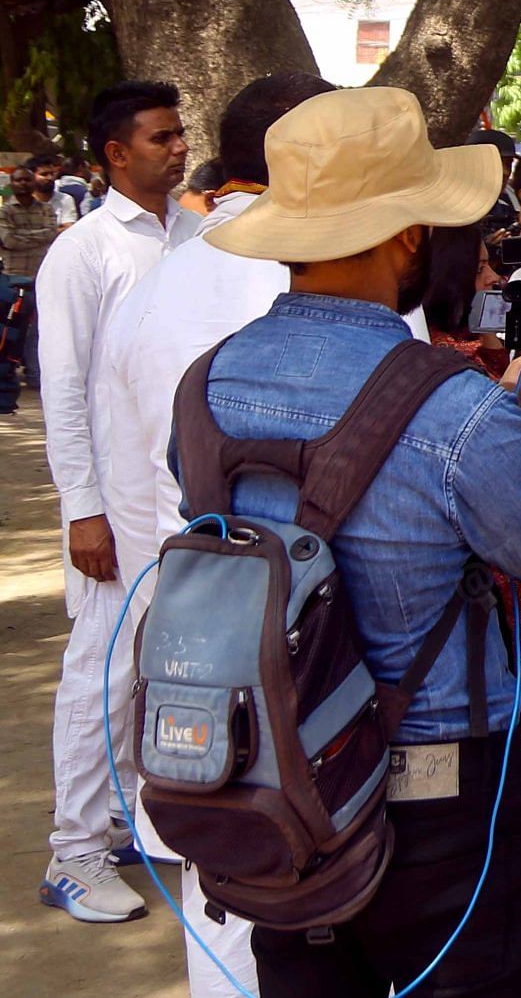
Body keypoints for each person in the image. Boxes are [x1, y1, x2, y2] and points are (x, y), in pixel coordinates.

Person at [185, 86, 521, 994]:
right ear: (404, 235)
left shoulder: (207, 384)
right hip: (438, 792)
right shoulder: (452, 408)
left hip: (275, 775)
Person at [88, 72, 330, 988]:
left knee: (217, 885)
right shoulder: (324, 284)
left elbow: (129, 479)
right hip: (304, 650)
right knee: (312, 891)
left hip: (182, 649)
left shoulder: (157, 287)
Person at [37, 79, 196, 925]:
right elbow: (62, 391)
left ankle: (128, 823)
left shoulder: (197, 235)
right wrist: (82, 508)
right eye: (161, 137)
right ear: (114, 152)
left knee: (156, 667)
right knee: (102, 670)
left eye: (180, 135)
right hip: (115, 503)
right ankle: (74, 851)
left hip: (176, 497)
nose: (178, 147)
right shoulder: (86, 250)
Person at [2, 163, 64, 414]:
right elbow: (8, 240)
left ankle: (38, 376)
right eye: (18, 181)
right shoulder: (5, 211)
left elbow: (52, 234)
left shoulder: (46, 209)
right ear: (12, 184)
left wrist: (25, 237)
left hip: (43, 276)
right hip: (14, 279)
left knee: (42, 329)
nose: (23, 185)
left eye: (27, 180)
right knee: (15, 333)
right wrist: (38, 237)